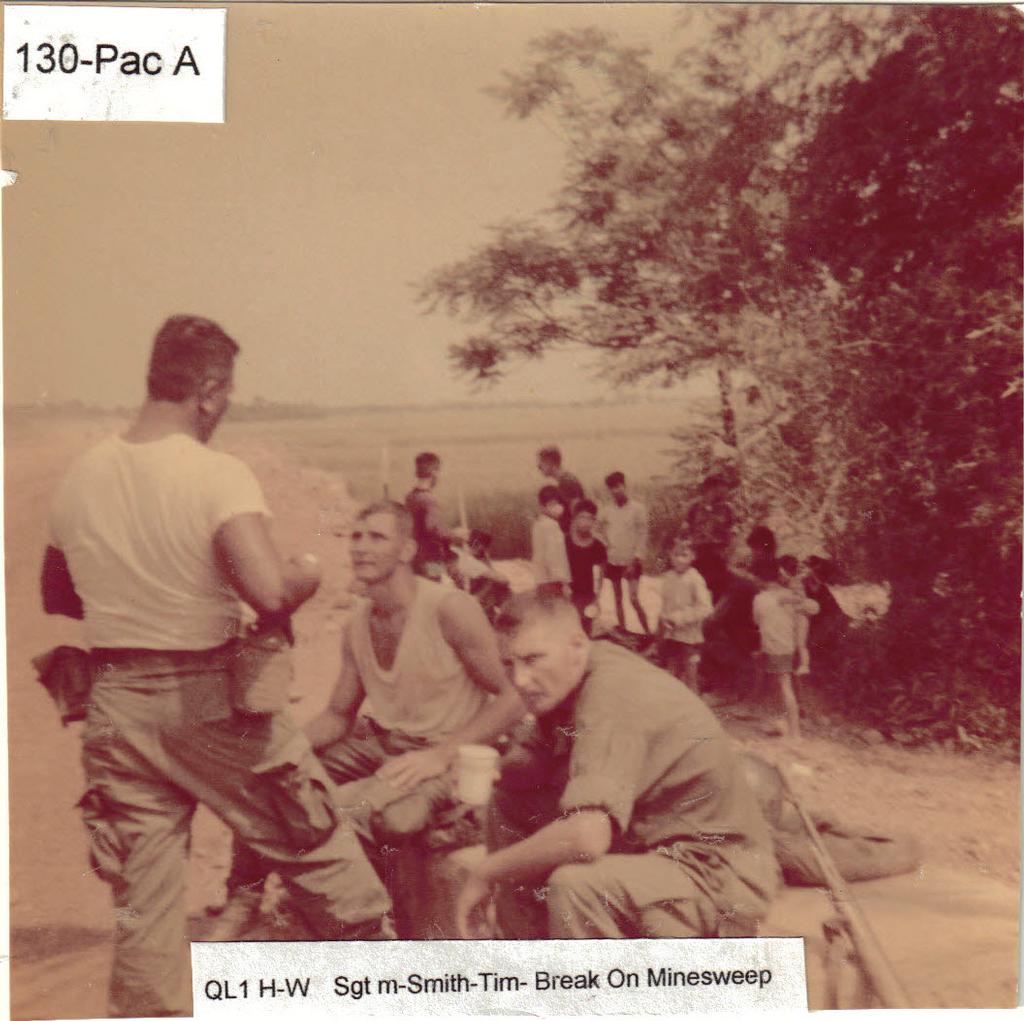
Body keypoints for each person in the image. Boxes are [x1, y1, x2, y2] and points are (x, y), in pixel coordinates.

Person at [42, 315, 393, 1018]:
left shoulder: (79, 478)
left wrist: (136, 591)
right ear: (206, 390)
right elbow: (266, 591)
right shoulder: (215, 473)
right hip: (212, 702)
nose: (225, 409)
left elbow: (57, 593)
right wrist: (309, 571)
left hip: (116, 707)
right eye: (226, 395)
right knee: (323, 856)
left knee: (146, 913)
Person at [216, 501, 524, 938]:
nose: (361, 547)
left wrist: (442, 753)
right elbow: (339, 715)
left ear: (407, 549)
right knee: (268, 778)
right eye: (356, 537)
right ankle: (243, 897)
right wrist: (279, 748)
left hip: (444, 755)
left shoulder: (448, 609)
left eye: (377, 537)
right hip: (383, 744)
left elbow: (515, 695)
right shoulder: (358, 622)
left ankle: (344, 923)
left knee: (339, 813)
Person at [455, 592, 779, 940]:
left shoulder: (611, 692)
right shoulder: (569, 677)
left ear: (577, 645)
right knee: (509, 799)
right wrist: (497, 770)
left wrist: (487, 872)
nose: (519, 680)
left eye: (533, 659)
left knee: (578, 887)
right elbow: (536, 758)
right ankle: (528, 950)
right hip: (650, 846)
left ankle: (591, 990)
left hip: (713, 873)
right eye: (509, 664)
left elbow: (587, 836)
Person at [751, 557, 818, 740]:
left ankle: (795, 732)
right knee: (778, 686)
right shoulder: (786, 595)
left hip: (775, 647)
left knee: (783, 686)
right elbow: (806, 607)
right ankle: (781, 723)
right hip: (785, 645)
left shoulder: (760, 599)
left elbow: (757, 621)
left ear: (758, 579)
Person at [657, 534, 713, 692]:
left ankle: (695, 709)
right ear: (670, 555)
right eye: (676, 555)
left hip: (689, 635)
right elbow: (665, 603)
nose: (679, 560)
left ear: (693, 556)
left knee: (690, 674)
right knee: (672, 671)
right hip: (672, 634)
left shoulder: (695, 579)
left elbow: (705, 607)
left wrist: (680, 618)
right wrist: (664, 618)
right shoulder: (668, 577)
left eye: (684, 555)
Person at [598, 471, 651, 635]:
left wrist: (635, 560)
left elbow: (643, 535)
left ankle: (649, 633)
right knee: (617, 599)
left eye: (618, 486)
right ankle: (623, 631)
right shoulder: (607, 511)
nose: (615, 491)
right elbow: (596, 529)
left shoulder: (637, 509)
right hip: (613, 560)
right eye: (612, 488)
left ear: (624, 486)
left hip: (631, 561)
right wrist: (606, 546)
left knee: (633, 599)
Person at [405, 451, 455, 581]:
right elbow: (433, 529)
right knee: (436, 586)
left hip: (413, 558)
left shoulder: (410, 497)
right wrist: (455, 534)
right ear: (434, 473)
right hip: (430, 560)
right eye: (438, 471)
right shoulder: (429, 500)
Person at [564, 499, 607, 634]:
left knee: (584, 635)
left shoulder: (598, 547)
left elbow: (599, 577)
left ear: (594, 521)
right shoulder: (565, 542)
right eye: (582, 517)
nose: (586, 522)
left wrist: (596, 600)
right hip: (566, 596)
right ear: (575, 519)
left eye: (590, 518)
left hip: (587, 597)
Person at [531, 485, 571, 596]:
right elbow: (554, 556)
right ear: (542, 507)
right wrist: (564, 582)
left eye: (557, 503)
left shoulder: (538, 524)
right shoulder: (552, 525)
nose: (557, 507)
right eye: (551, 504)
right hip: (553, 581)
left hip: (541, 579)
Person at [537, 444, 584, 532]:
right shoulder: (565, 480)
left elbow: (576, 513)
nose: (539, 467)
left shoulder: (567, 482)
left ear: (550, 462)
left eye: (541, 463)